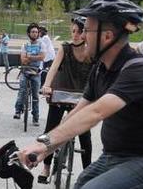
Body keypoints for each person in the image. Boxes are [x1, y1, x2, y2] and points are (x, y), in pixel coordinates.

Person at [16, 0, 143, 189]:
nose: (83, 37)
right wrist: (46, 147)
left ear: (107, 36)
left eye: (87, 31)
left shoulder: (139, 70)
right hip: (115, 155)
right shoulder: (100, 69)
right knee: (80, 185)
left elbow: (96, 112)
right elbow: (80, 111)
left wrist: (45, 144)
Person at [37, 16, 94, 184]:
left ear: (86, 33)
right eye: (73, 31)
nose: (75, 35)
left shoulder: (92, 51)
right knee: (50, 130)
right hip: (61, 92)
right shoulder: (65, 48)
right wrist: (47, 86)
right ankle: (46, 167)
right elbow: (53, 68)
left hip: (81, 96)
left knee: (85, 136)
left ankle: (87, 173)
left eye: (80, 31)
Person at [14, 23, 45, 126]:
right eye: (33, 32)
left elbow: (42, 57)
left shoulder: (41, 44)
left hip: (36, 72)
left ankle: (35, 118)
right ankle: (18, 111)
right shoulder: (25, 45)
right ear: (29, 33)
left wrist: (29, 57)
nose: (35, 34)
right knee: (22, 90)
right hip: (25, 71)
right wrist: (35, 56)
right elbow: (23, 60)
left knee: (36, 95)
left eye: (36, 32)